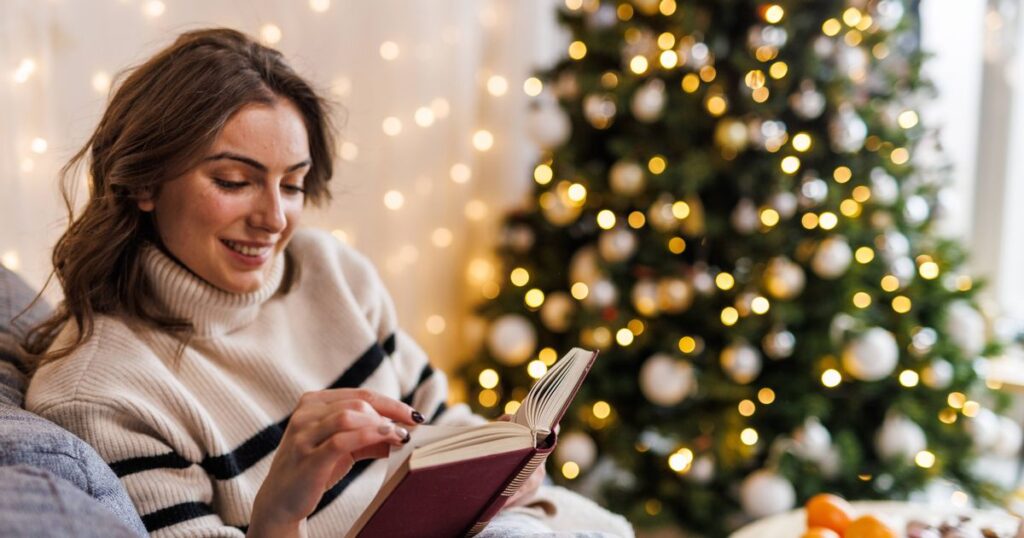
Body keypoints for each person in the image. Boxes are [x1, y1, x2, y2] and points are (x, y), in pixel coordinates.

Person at [22, 28, 633, 538]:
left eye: (292, 184)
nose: (274, 219)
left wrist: (509, 467)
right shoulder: (98, 394)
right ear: (142, 182)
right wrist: (279, 514)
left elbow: (442, 422)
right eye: (234, 181)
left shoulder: (328, 268)